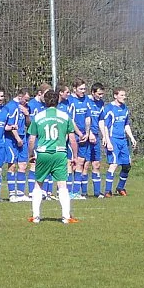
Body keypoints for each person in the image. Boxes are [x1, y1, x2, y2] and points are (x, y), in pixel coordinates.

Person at [27, 89, 79, 224]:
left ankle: (36, 216)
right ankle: (66, 217)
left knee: (38, 185)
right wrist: (75, 156)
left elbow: (32, 139)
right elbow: (72, 139)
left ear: (45, 100)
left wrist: (31, 154)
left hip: (43, 153)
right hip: (60, 153)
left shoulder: (38, 117)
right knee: (62, 185)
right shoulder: (64, 116)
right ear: (58, 100)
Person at [99, 87, 137, 197]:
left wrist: (132, 137)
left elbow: (126, 124)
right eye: (121, 95)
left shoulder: (125, 108)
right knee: (114, 164)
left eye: (124, 95)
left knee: (127, 165)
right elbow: (105, 126)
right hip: (113, 140)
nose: (124, 97)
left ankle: (120, 187)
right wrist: (108, 141)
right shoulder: (109, 108)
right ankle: (107, 191)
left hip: (123, 141)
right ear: (115, 96)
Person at [5, 88, 32, 202]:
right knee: (12, 165)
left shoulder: (26, 107)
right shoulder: (11, 106)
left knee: (23, 165)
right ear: (20, 96)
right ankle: (12, 194)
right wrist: (17, 138)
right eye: (25, 99)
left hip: (23, 137)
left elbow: (28, 124)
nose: (27, 102)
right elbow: (11, 124)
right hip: (12, 139)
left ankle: (20, 194)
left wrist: (27, 115)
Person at [67, 78, 91, 199]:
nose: (83, 91)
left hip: (84, 135)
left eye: (84, 89)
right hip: (73, 136)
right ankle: (66, 191)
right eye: (81, 89)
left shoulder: (86, 100)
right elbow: (70, 120)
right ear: (74, 89)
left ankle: (75, 192)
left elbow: (88, 117)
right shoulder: (70, 101)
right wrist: (79, 133)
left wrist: (87, 132)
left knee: (81, 162)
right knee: (71, 163)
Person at [26, 83, 51, 199]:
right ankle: (32, 191)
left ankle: (44, 191)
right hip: (34, 139)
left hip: (44, 140)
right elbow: (27, 124)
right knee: (34, 164)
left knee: (45, 165)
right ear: (39, 93)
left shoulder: (46, 106)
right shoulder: (31, 105)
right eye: (45, 95)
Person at [86, 83, 106, 198]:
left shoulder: (101, 103)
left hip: (96, 137)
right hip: (86, 136)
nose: (101, 96)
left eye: (102, 94)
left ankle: (97, 192)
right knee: (85, 164)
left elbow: (101, 121)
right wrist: (89, 134)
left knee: (96, 164)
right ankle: (82, 192)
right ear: (93, 92)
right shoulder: (86, 102)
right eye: (99, 94)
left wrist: (104, 136)